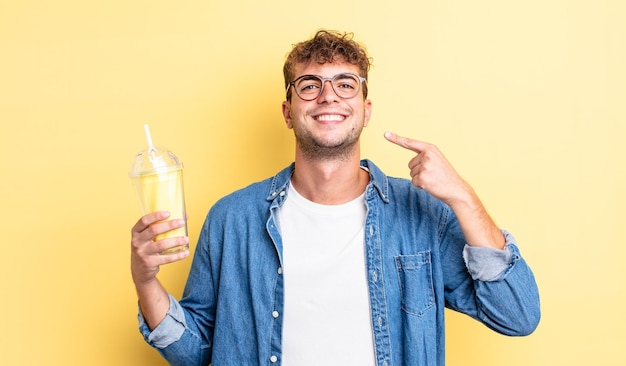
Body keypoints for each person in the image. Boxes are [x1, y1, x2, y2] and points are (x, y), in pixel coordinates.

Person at [131, 30, 540, 366]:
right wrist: (145, 281)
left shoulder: (422, 214)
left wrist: (463, 198)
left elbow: (517, 315)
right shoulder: (232, 219)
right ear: (288, 112)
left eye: (345, 84)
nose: (328, 96)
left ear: (365, 109)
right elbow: (198, 350)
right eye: (309, 85)